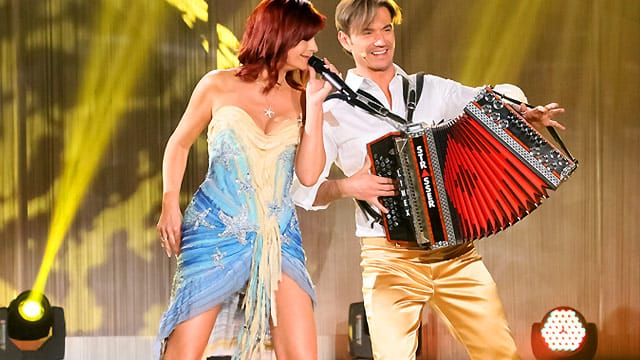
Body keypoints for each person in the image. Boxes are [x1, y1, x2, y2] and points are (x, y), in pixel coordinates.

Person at [292, 0, 566, 359]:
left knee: (501, 353)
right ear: (345, 40)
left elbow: (487, 103)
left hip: (457, 254)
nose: (380, 40)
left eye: (386, 29)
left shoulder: (430, 90)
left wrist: (524, 114)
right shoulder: (333, 109)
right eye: (367, 32)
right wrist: (348, 186)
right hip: (388, 259)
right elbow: (304, 189)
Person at [154, 1, 333, 359]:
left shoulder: (304, 98)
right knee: (184, 354)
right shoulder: (217, 85)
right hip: (215, 227)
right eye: (305, 39)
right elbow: (179, 142)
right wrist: (169, 201)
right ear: (278, 35)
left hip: (277, 233)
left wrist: (315, 108)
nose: (313, 49)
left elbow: (309, 175)